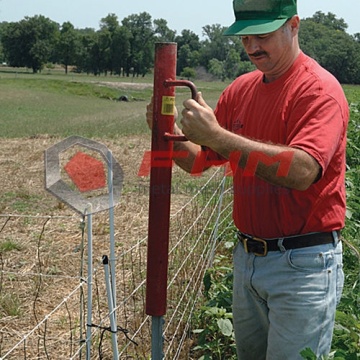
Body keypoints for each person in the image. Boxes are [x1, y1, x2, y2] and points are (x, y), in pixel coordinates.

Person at [146, 0, 349, 358]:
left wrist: (218, 136)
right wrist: (165, 129)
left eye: (263, 36)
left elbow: (303, 171)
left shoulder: (318, 90)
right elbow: (197, 162)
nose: (253, 48)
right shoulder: (241, 90)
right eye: (245, 39)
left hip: (302, 267)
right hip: (248, 259)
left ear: (294, 25)